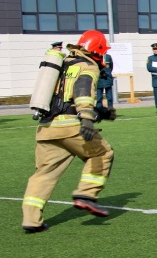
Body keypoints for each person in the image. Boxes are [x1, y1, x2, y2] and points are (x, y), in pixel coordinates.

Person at [21, 30, 117, 233]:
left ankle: (31, 220)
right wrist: (87, 119)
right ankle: (86, 194)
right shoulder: (88, 65)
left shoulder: (62, 64)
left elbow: (62, 98)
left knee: (44, 174)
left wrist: (100, 112)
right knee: (103, 153)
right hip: (71, 126)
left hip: (47, 128)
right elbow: (81, 91)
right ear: (97, 50)